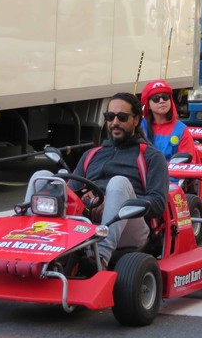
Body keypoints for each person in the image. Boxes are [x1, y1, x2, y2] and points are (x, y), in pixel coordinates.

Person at [71, 92, 169, 270]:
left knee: (118, 183)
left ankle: (100, 260)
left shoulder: (151, 156)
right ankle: (29, 250)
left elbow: (158, 204)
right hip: (88, 223)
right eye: (110, 117)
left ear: (136, 120)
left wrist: (115, 203)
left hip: (131, 229)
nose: (115, 122)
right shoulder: (91, 155)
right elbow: (71, 194)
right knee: (45, 179)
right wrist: (86, 200)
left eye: (122, 117)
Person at [140, 80, 196, 162]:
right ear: (148, 105)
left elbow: (187, 165)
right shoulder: (140, 127)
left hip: (171, 174)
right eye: (156, 98)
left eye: (165, 97)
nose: (161, 101)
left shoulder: (181, 130)